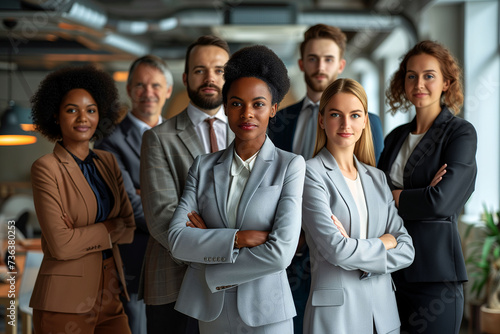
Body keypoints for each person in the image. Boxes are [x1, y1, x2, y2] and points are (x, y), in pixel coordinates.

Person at [166, 45, 305, 333]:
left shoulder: (290, 166)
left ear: (273, 109)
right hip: (212, 313)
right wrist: (239, 239)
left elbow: (281, 253)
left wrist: (210, 253)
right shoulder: (203, 167)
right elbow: (178, 241)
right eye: (237, 103)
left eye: (258, 104)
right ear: (226, 107)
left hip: (267, 312)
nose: (247, 114)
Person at [267, 23, 385, 333]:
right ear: (301, 62)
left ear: (341, 64)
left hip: (345, 252)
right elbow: (269, 183)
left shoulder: (367, 121)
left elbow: (375, 188)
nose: (321, 67)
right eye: (314, 58)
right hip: (289, 251)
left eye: (329, 59)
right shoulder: (278, 121)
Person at [377, 40, 477, 334]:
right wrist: (418, 195)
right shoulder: (396, 137)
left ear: (446, 82)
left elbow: (441, 202)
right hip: (391, 271)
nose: (418, 83)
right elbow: (374, 197)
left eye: (429, 75)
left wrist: (395, 196)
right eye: (411, 75)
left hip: (435, 277)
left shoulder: (459, 132)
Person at [302, 78, 414, 334]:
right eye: (335, 114)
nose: (345, 124)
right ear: (322, 120)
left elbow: (407, 249)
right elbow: (336, 251)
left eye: (354, 115)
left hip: (383, 316)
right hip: (336, 317)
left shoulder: (376, 178)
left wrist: (360, 251)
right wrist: (385, 242)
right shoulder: (310, 173)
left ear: (365, 121)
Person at [29, 65, 135, 333]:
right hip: (64, 299)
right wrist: (109, 227)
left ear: (100, 115)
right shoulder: (46, 168)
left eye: (90, 110)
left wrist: (82, 233)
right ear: (55, 115)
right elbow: (62, 246)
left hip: (111, 292)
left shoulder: (108, 161)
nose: (82, 118)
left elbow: (129, 228)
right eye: (71, 109)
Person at [140, 35, 232, 334]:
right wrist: (226, 246)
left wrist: (222, 247)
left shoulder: (249, 136)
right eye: (199, 70)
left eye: (219, 70)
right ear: (185, 77)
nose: (209, 78)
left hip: (237, 280)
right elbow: (163, 217)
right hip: (173, 281)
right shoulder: (157, 138)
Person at [94, 54, 173, 334]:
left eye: (155, 86)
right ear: (129, 91)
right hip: (136, 263)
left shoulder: (180, 136)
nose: (148, 93)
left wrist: (149, 194)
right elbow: (130, 207)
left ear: (168, 91)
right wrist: (184, 223)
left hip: (183, 265)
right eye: (140, 86)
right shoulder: (109, 143)